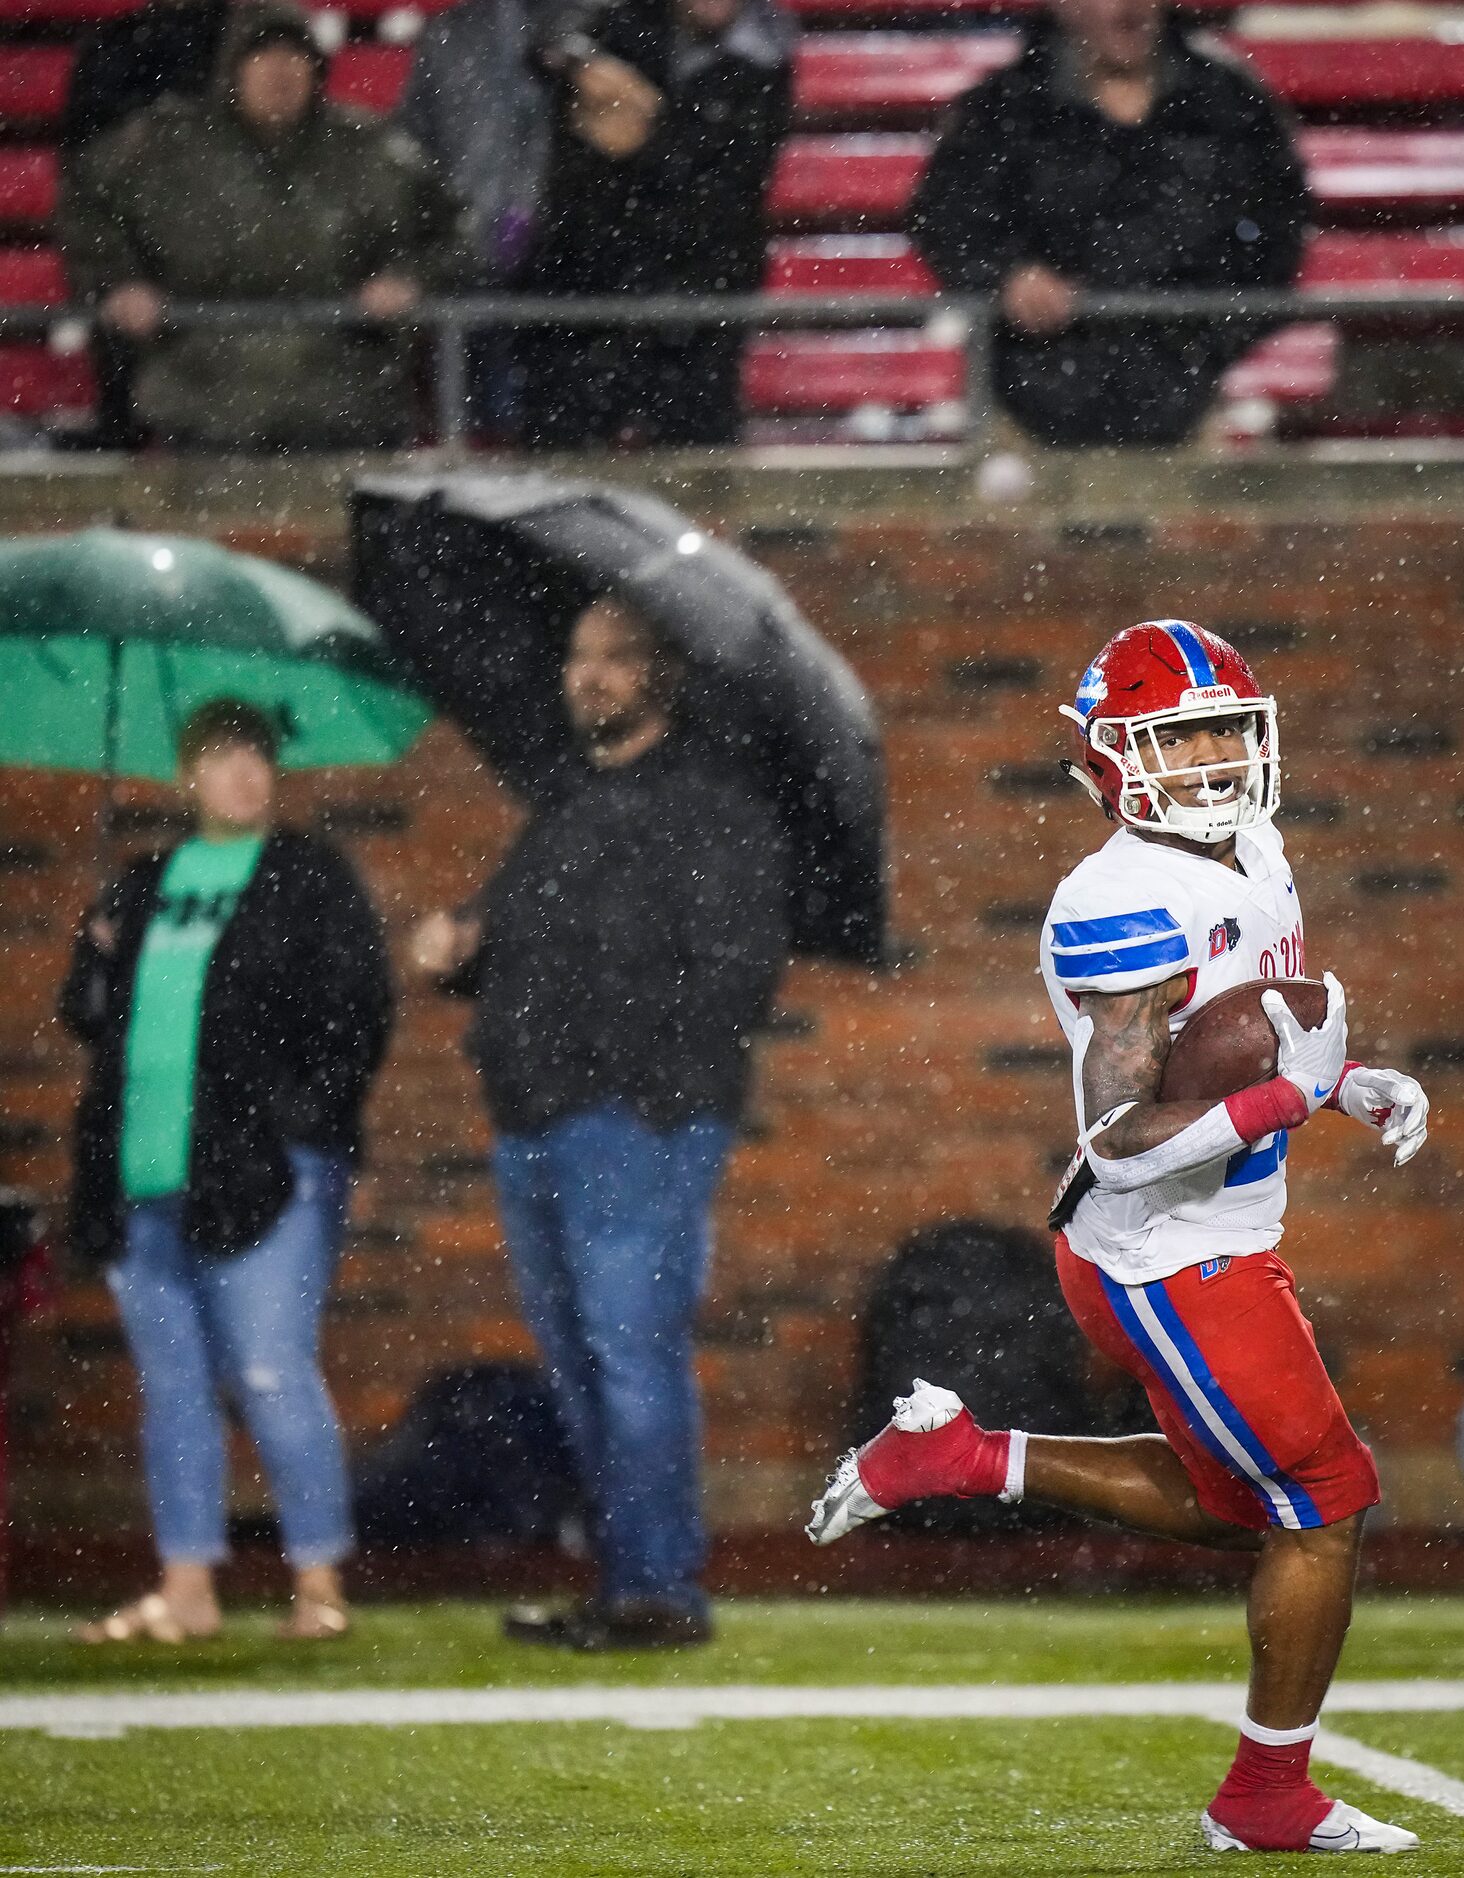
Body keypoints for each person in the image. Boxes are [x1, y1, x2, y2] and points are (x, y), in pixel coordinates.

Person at [809, 621, 1431, 1854]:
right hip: (1164, 1250)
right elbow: (1123, 1138)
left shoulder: (1251, 844)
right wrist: (1286, 1100)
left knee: (1252, 1501)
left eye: (1223, 731)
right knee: (1323, 1497)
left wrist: (1346, 1079)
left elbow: (1266, 1034)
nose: (1207, 759)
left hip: (1218, 1232)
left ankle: (961, 1460)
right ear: (1107, 762)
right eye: (1176, 736)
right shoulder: (1120, 897)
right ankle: (1266, 1799)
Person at [411, 596, 788, 1648]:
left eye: (616, 658)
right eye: (579, 657)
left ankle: (661, 1588)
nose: (590, 676)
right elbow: (523, 942)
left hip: (632, 1125)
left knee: (629, 1353)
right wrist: (461, 945)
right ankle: (623, 1583)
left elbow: (736, 976)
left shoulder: (712, 807)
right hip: (534, 1117)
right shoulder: (569, 801)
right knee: (581, 1361)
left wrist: (648, 1088)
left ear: (663, 673)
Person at [60, 698, 392, 1642]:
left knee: (269, 1369)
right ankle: (187, 1589)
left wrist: (297, 1122)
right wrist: (93, 953)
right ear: (187, 774)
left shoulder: (308, 877)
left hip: (265, 1171)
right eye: (221, 755)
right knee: (171, 1385)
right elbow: (89, 1018)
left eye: (258, 755)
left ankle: (319, 1583)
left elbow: (357, 1014)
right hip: (143, 1166)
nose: (245, 772)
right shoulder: (141, 882)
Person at [57, 3, 471, 451]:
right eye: (263, 55)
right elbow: (83, 203)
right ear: (233, 67)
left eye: (296, 56)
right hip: (204, 409)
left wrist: (411, 279)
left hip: (348, 406)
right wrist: (117, 280)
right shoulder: (163, 148)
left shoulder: (373, 151)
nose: (280, 71)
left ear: (318, 70)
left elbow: (459, 234)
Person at [907, 0, 1308, 447]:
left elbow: (1278, 232)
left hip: (1187, 407)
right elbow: (945, 220)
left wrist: (1205, 332)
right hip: (1027, 409)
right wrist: (1008, 277)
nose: (1128, 8)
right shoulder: (1005, 107)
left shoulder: (1225, 101)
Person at [518, 0, 792, 446]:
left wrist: (648, 139)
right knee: (563, 470)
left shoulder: (766, 55)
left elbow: (725, 196)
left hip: (695, 311)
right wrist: (583, 67)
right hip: (588, 302)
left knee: (696, 475)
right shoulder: (624, 28)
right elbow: (544, 49)